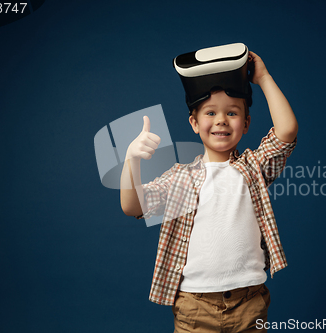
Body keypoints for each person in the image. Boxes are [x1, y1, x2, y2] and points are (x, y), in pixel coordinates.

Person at [120, 50, 298, 332]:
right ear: (194, 123)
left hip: (249, 302)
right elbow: (133, 207)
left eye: (232, 112)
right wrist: (132, 159)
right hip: (195, 306)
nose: (221, 120)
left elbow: (286, 131)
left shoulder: (254, 167)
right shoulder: (180, 178)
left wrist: (262, 78)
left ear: (246, 123)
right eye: (210, 112)